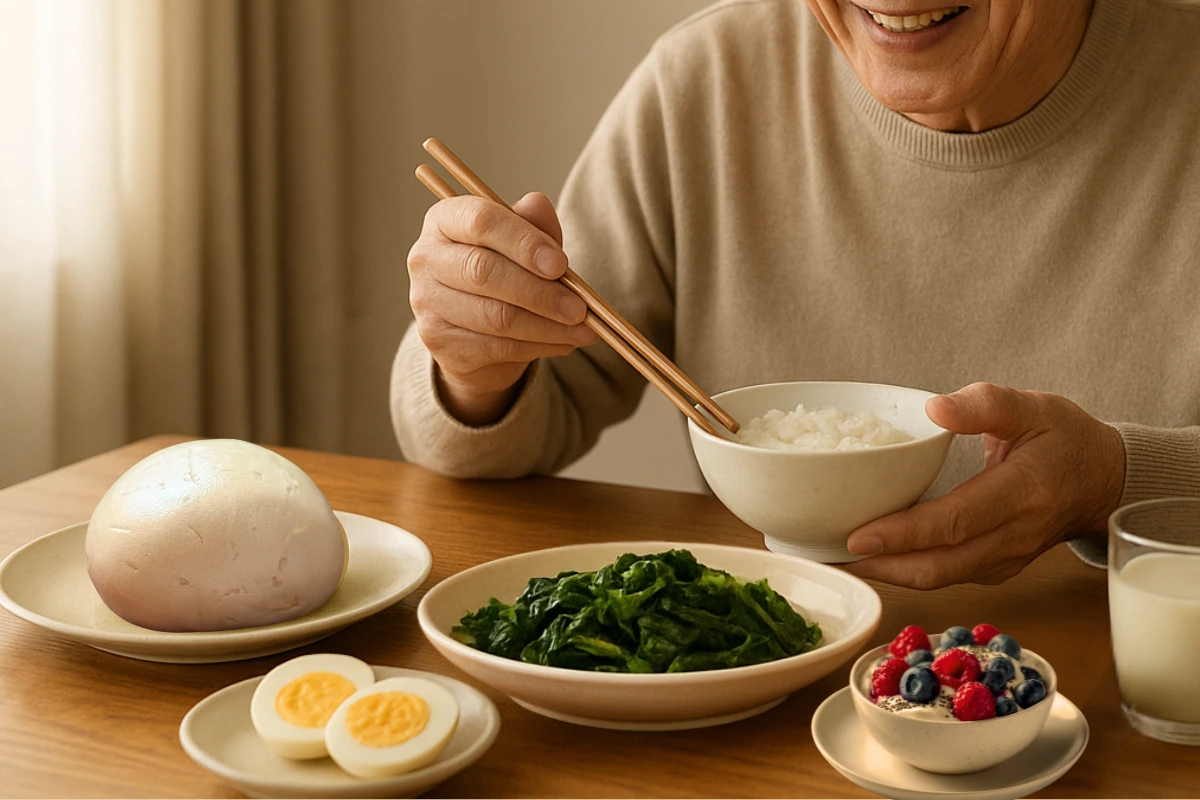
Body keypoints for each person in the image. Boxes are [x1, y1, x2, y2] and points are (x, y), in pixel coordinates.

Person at [391, 0, 1200, 589]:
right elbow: (521, 404)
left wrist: (1118, 480)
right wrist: (474, 363)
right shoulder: (709, 81)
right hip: (764, 683)